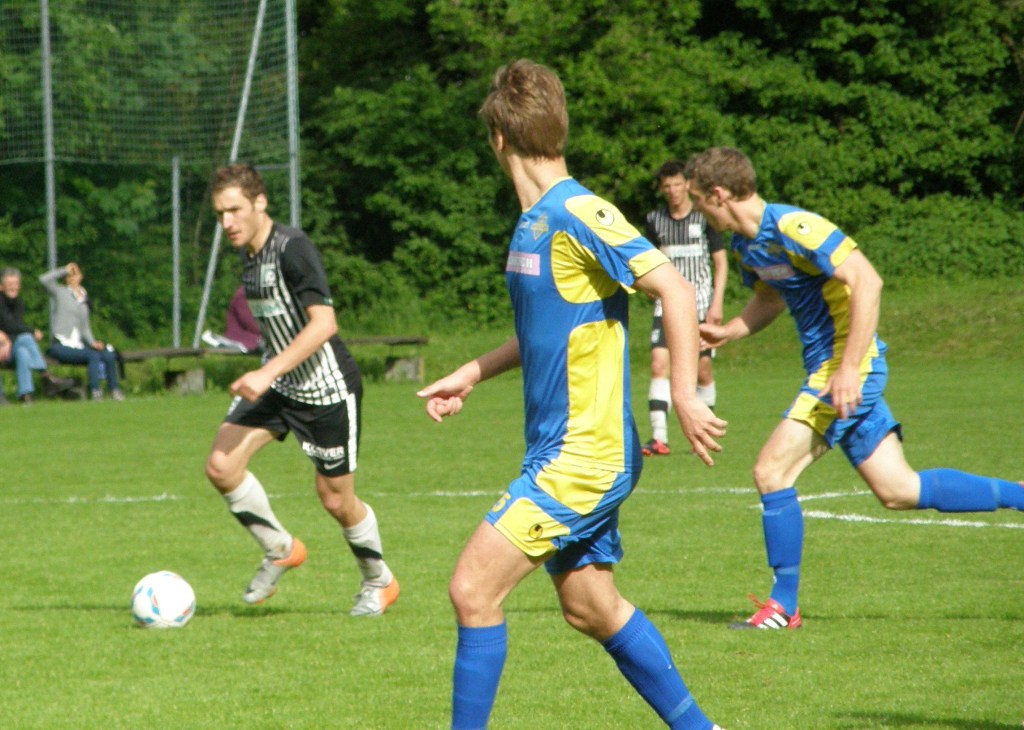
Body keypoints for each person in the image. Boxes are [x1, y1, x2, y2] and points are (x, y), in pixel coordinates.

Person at [417, 60, 728, 730]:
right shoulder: (534, 222)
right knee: (591, 608)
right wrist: (473, 371)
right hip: (561, 451)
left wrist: (683, 392)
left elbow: (674, 287)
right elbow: (546, 329)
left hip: (585, 456)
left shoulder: (579, 211)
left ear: (499, 138)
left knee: (472, 589)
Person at [688, 146, 1024, 630]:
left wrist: (847, 369)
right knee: (899, 489)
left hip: (845, 370)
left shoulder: (794, 226)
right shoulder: (748, 246)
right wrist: (731, 331)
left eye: (699, 201)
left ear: (719, 194)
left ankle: (784, 606)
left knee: (771, 472)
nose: (698, 211)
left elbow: (868, 281)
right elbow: (770, 297)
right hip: (831, 370)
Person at [204, 163, 399, 616]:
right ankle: (280, 548)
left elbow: (324, 324)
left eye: (234, 210)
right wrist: (269, 372)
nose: (226, 222)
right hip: (280, 384)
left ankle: (380, 581)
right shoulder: (249, 255)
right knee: (221, 465)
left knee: (335, 499)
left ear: (260, 202)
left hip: (326, 389)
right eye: (219, 214)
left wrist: (266, 372)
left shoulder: (293, 248)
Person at [641, 160, 728, 456]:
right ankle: (659, 437)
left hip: (701, 303)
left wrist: (717, 302)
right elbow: (647, 261)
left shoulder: (704, 218)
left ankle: (703, 432)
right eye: (667, 186)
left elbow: (720, 262)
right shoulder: (654, 220)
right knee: (658, 364)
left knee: (702, 371)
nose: (673, 190)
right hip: (666, 305)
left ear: (687, 185)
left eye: (677, 184)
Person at [40, 262, 125, 401]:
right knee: (93, 356)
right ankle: (95, 390)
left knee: (108, 354)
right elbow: (43, 279)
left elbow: (85, 328)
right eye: (69, 275)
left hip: (79, 345)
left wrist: (93, 343)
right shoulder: (61, 292)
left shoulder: (84, 298)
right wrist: (64, 270)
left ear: (80, 276)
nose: (72, 277)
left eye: (75, 274)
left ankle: (114, 389)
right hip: (61, 344)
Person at [0, 267, 77, 404]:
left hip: (11, 346)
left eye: (16, 284)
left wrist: (9, 341)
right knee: (26, 338)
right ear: (1, 286)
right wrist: (31, 331)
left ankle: (26, 394)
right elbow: (8, 325)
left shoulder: (19, 303)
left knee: (23, 352)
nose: (14, 287)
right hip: (2, 348)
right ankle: (46, 376)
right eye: (10, 284)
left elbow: (14, 328)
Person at [202, 285, 263, 353]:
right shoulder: (244, 294)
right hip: (243, 341)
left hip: (260, 341)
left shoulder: (263, 293)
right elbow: (253, 325)